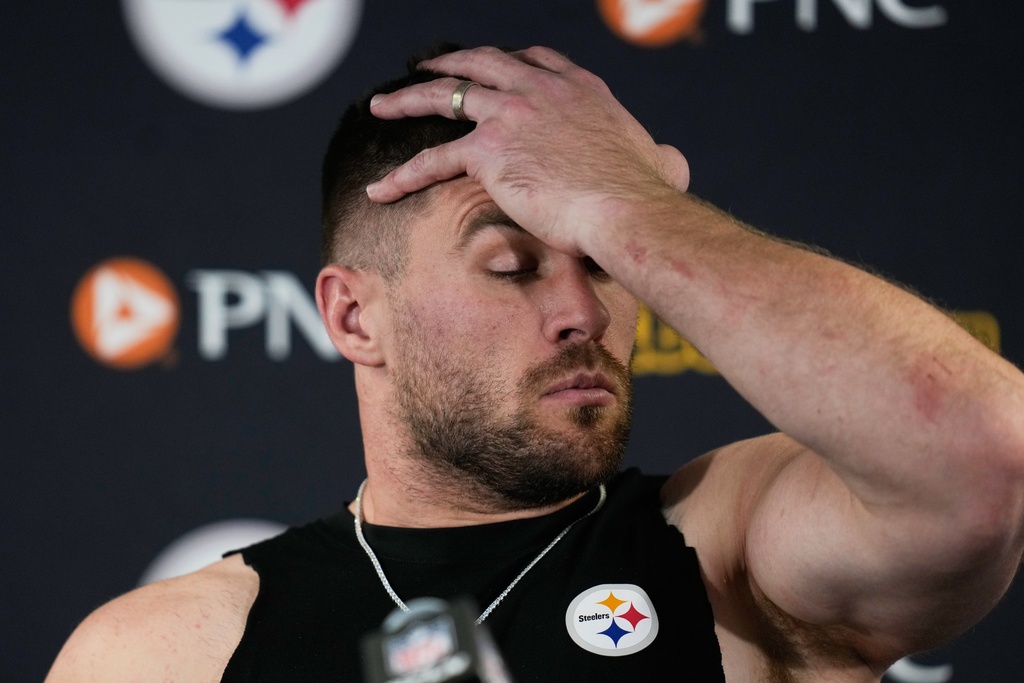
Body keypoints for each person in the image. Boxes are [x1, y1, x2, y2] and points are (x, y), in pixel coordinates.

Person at [47, 45, 1024, 682]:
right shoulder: (170, 651)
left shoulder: (727, 554)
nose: (583, 312)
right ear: (353, 316)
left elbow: (984, 450)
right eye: (512, 266)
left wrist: (634, 208)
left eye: (602, 261)